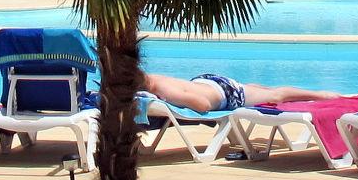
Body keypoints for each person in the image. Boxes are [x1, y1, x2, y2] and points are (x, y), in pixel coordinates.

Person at [141, 71, 343, 113]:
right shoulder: (152, 77)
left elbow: (202, 105)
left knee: (276, 96)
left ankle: (319, 95)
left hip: (226, 93)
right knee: (250, 89)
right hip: (207, 81)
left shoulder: (162, 89)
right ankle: (250, 88)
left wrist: (170, 101)